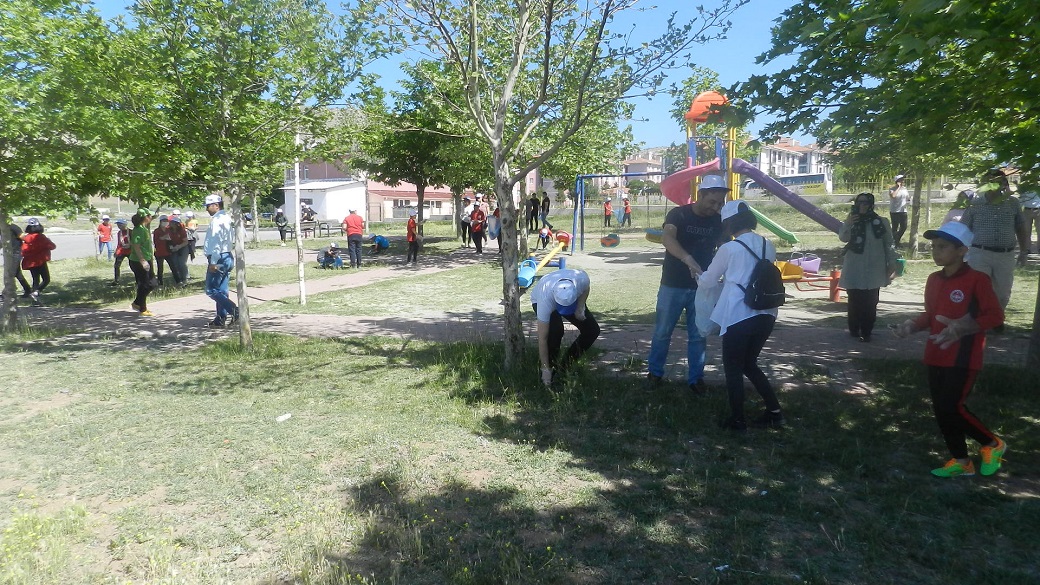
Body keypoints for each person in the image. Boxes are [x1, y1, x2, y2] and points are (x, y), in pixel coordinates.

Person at [893, 222, 1007, 478]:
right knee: (942, 410)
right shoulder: (934, 279)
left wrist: (966, 327)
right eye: (933, 246)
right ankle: (961, 461)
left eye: (942, 247)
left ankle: (992, 444)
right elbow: (931, 315)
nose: (936, 251)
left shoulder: (977, 280)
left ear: (962, 250)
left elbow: (996, 316)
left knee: (951, 407)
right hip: (936, 353)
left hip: (963, 357)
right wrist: (911, 325)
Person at [696, 201, 784, 431]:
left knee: (733, 368)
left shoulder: (730, 249)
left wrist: (697, 274)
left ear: (728, 223)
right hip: (766, 312)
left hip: (739, 314)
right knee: (749, 364)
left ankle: (737, 420)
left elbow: (708, 280)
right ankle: (774, 411)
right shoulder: (768, 244)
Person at [646, 173, 728, 393]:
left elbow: (727, 248)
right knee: (662, 331)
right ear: (700, 195)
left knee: (698, 335)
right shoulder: (679, 215)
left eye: (720, 203)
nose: (716, 207)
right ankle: (654, 374)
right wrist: (688, 259)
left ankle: (696, 380)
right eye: (712, 201)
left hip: (702, 287)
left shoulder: (720, 221)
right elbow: (667, 239)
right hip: (672, 284)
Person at [959, 168, 1030, 313]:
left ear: (1004, 183)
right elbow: (962, 229)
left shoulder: (1013, 203)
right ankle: (977, 321)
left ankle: (996, 318)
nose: (993, 184)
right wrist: (959, 253)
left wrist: (1024, 251)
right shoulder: (974, 203)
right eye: (989, 181)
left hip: (1005, 255)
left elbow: (1021, 228)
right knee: (978, 289)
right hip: (980, 253)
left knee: (1002, 292)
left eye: (997, 181)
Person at [837, 192, 899, 342]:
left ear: (871, 205)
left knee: (871, 302)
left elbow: (889, 244)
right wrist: (848, 223)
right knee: (854, 301)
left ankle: (867, 331)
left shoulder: (881, 222)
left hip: (874, 268)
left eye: (865, 203)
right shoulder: (852, 220)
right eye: (859, 203)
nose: (862, 206)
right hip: (854, 268)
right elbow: (843, 238)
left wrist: (892, 264)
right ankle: (854, 329)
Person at [530, 268, 600, 387]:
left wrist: (580, 306)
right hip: (541, 297)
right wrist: (545, 369)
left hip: (573, 300)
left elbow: (586, 288)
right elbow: (542, 339)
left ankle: (564, 367)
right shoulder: (545, 301)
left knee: (592, 330)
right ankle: (547, 374)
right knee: (555, 332)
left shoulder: (581, 279)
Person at [203, 193, 238, 328]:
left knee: (211, 290)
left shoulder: (217, 220)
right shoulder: (226, 217)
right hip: (227, 255)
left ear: (216, 205)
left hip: (219, 257)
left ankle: (235, 311)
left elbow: (217, 241)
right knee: (222, 291)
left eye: (208, 206)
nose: (207, 209)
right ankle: (220, 318)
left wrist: (213, 262)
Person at [20, 218, 56, 307]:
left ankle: (35, 297)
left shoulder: (26, 238)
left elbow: (23, 251)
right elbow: (52, 246)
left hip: (30, 262)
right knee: (46, 279)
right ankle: (36, 293)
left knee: (35, 279)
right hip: (40, 261)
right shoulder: (41, 237)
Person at [127, 210, 156, 316]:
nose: (151, 217)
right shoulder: (139, 230)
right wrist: (143, 261)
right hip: (138, 261)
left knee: (152, 283)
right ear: (146, 217)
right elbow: (136, 246)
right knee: (144, 284)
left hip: (146, 258)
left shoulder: (144, 229)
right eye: (150, 216)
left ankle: (137, 303)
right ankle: (142, 309)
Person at [4, 223, 31, 299]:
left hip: (16, 251)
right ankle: (28, 290)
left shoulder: (13, 227)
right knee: (17, 274)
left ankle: (7, 292)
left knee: (11, 272)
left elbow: (23, 237)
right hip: (9, 253)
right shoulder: (2, 227)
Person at [152, 215, 175, 286]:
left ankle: (178, 280)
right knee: (160, 268)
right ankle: (160, 283)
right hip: (159, 252)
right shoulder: (157, 231)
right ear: (160, 222)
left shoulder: (169, 230)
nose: (165, 223)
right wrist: (163, 238)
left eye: (166, 221)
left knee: (173, 267)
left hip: (168, 252)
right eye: (164, 221)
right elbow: (156, 241)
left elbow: (172, 240)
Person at [167, 215, 189, 286]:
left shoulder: (182, 231)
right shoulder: (168, 230)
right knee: (175, 263)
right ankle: (179, 280)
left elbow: (185, 242)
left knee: (182, 263)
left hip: (183, 247)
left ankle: (185, 278)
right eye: (171, 222)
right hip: (173, 248)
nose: (171, 224)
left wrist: (179, 246)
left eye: (173, 223)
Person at [888, 174, 910, 245]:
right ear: (897, 181)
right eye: (901, 180)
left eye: (903, 180)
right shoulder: (892, 189)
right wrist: (899, 187)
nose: (903, 181)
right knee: (895, 227)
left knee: (904, 226)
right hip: (895, 211)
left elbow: (907, 197)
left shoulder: (905, 189)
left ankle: (897, 239)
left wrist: (910, 200)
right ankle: (894, 242)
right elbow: (893, 196)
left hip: (903, 210)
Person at [110, 218, 131, 286]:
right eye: (118, 225)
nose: (119, 226)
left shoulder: (131, 232)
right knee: (116, 265)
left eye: (120, 225)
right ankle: (116, 280)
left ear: (125, 225)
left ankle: (138, 279)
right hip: (122, 251)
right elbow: (119, 243)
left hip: (130, 251)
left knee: (133, 266)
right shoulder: (119, 233)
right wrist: (116, 251)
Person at [1019, 189, 1040, 253]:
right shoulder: (1025, 186)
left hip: (1038, 209)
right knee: (1026, 230)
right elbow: (1021, 198)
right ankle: (1027, 248)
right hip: (1027, 210)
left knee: (1039, 230)